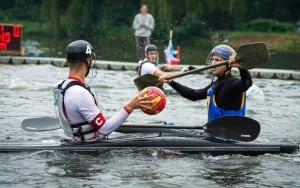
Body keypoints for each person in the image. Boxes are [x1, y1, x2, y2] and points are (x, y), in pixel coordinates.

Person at [53, 40, 152, 143]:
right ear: (88, 60)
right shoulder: (80, 93)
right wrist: (131, 106)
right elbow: (104, 129)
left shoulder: (62, 85)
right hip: (88, 151)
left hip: (74, 141)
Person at [159, 44, 253, 122]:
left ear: (228, 64)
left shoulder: (233, 83)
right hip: (215, 132)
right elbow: (193, 95)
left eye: (217, 60)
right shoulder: (215, 85)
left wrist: (242, 68)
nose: (213, 63)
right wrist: (171, 82)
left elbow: (247, 83)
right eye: (213, 59)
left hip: (230, 133)